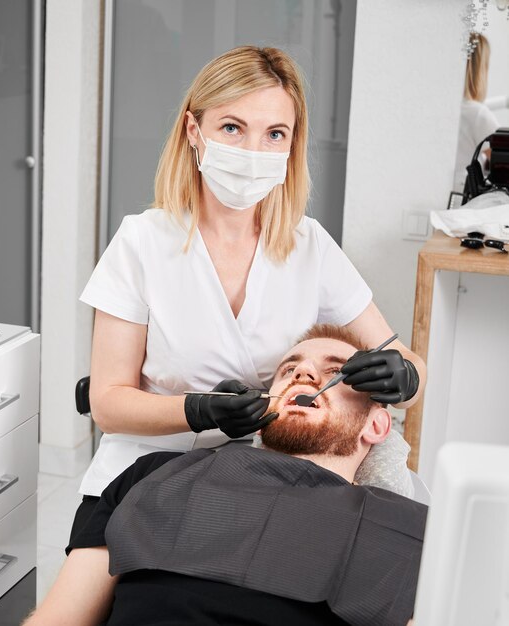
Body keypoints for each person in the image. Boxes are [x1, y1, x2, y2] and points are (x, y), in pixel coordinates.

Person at [72, 45, 427, 542]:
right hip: (145, 470)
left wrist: (405, 375)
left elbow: (406, 358)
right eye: (233, 128)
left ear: (290, 146)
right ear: (195, 132)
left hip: (266, 479)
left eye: (274, 134)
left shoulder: (310, 246)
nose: (252, 152)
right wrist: (195, 410)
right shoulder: (142, 242)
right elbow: (108, 402)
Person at [26, 324, 427, 626]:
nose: (304, 375)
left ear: (377, 425)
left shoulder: (407, 530)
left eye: (338, 371)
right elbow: (59, 618)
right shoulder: (154, 476)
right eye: (289, 369)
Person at [454, 32, 499, 192]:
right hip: (463, 196)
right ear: (481, 69)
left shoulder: (453, 110)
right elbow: (502, 159)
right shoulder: (477, 113)